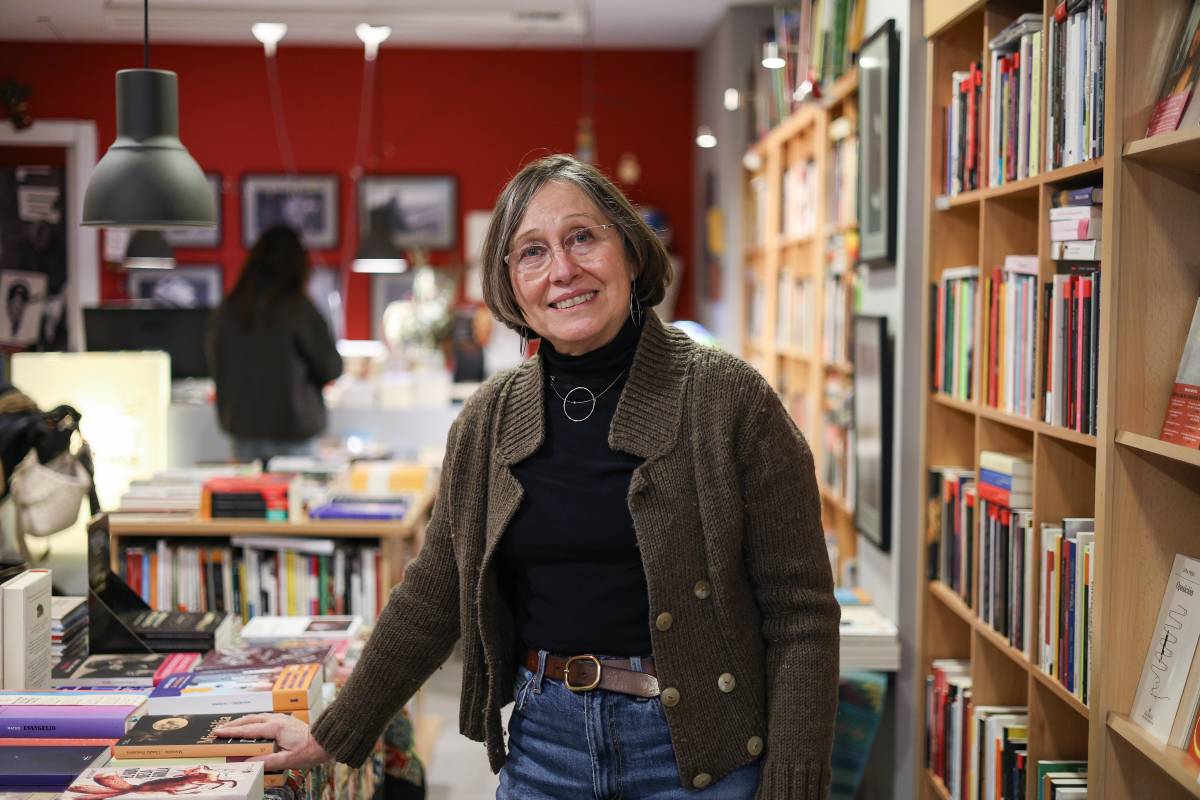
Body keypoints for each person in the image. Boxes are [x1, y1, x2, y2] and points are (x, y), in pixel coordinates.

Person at [214, 155, 839, 799]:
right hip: (546, 749)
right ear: (511, 287)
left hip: (700, 757)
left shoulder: (728, 398)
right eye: (531, 252)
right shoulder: (488, 419)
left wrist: (793, 783)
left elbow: (801, 614)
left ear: (628, 249)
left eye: (582, 238)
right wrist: (332, 733)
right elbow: (435, 592)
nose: (563, 270)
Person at [207, 224, 342, 464]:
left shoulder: (230, 308)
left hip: (243, 430)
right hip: (293, 432)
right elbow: (330, 367)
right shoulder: (298, 308)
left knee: (248, 499)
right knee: (294, 498)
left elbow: (215, 361)